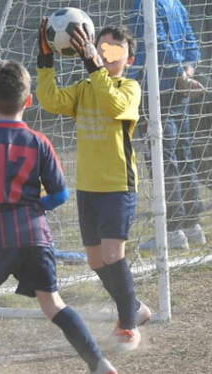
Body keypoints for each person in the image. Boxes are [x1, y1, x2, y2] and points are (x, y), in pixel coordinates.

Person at [0, 60, 118, 374]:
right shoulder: (39, 141)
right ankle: (98, 364)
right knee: (53, 303)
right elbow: (61, 194)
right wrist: (36, 207)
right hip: (36, 235)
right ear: (30, 100)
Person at [36, 21, 151, 352]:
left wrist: (93, 65)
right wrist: (46, 61)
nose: (107, 53)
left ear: (129, 59)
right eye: (101, 47)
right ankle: (135, 308)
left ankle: (127, 325)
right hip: (88, 187)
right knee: (97, 261)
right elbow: (51, 100)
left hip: (118, 186)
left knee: (114, 255)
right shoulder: (85, 88)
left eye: (116, 49)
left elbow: (113, 105)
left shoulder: (130, 88)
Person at [129, 0, 212, 250]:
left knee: (164, 159)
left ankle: (172, 229)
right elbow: (190, 41)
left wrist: (180, 75)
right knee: (184, 155)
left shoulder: (144, 4)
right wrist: (187, 72)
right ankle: (192, 225)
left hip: (157, 88)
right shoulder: (175, 3)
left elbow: (157, 42)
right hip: (179, 87)